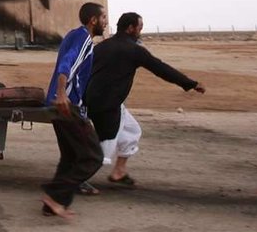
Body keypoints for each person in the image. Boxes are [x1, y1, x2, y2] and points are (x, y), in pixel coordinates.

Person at [84, 12, 206, 187]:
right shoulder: (134, 50)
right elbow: (161, 69)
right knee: (105, 147)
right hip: (107, 104)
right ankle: (76, 180)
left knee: (132, 132)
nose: (140, 31)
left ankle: (119, 172)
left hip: (102, 101)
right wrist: (191, 83)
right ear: (130, 28)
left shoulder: (102, 46)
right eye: (139, 27)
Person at [41, 2, 106, 220]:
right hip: (65, 105)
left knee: (69, 157)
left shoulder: (72, 35)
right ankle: (55, 196)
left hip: (56, 104)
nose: (106, 22)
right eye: (103, 18)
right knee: (92, 156)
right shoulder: (84, 39)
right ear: (93, 20)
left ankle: (51, 206)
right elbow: (67, 64)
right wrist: (62, 94)